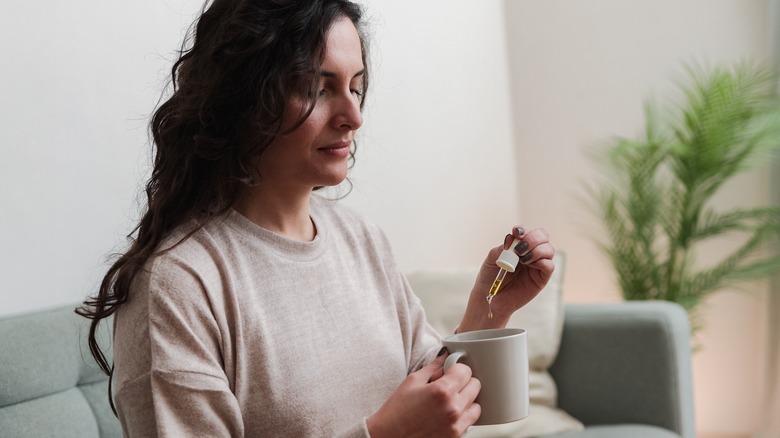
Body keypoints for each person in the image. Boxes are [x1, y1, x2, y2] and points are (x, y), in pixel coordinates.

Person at [77, 1, 555, 437]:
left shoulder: (359, 237)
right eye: (316, 88)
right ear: (245, 98)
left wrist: (489, 310)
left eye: (356, 86)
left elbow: (432, 394)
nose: (353, 115)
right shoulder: (177, 285)